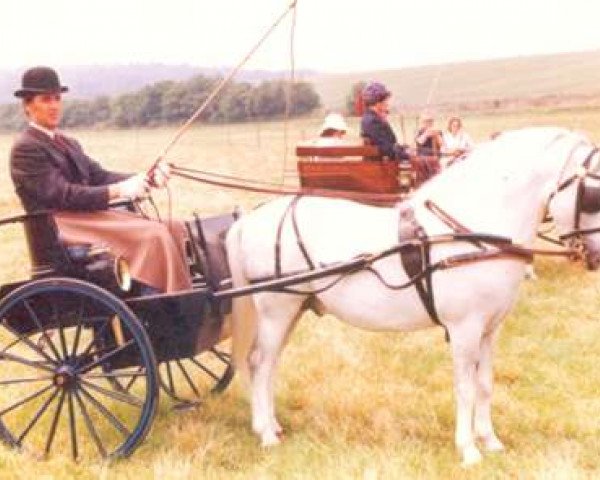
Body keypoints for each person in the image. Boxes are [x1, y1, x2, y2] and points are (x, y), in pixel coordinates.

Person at [10, 66, 191, 293]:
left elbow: (99, 176)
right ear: (27, 105)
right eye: (46, 100)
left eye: (57, 98)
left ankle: (182, 296)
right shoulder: (26, 148)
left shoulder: (68, 143)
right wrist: (119, 191)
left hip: (89, 217)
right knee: (154, 234)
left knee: (174, 227)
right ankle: (165, 305)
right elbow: (62, 194)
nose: (54, 106)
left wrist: (146, 179)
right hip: (62, 227)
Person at [359, 82, 409, 160]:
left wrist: (404, 149)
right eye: (385, 100)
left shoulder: (370, 118)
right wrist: (408, 155)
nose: (387, 103)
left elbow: (387, 145)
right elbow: (387, 149)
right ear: (378, 102)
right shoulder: (373, 121)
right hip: (381, 166)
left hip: (381, 164)